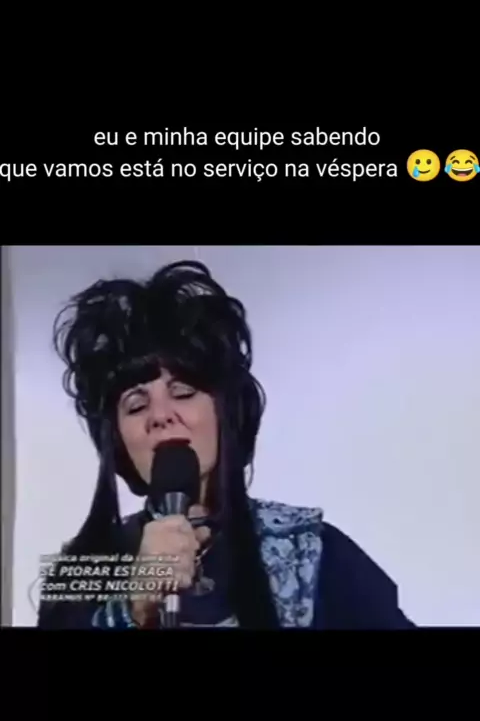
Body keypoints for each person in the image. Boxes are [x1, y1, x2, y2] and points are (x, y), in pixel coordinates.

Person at [37, 260, 414, 629]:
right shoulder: (82, 571)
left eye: (183, 392)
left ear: (226, 411)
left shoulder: (310, 551)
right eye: (136, 405)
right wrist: (135, 610)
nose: (161, 415)